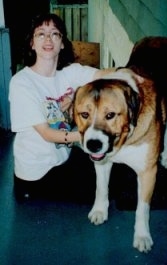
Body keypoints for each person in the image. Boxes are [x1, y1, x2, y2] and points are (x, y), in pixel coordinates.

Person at [9, 13, 115, 201]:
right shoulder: (21, 83)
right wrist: (87, 137)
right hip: (37, 174)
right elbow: (47, 133)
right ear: (32, 43)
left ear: (62, 43)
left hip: (63, 158)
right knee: (110, 182)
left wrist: (131, 72)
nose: (48, 39)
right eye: (41, 34)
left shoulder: (69, 73)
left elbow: (103, 74)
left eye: (55, 34)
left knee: (113, 166)